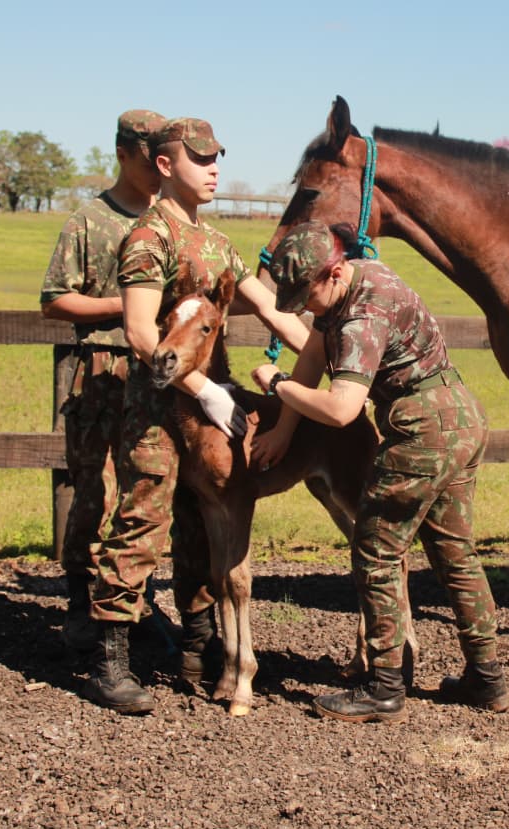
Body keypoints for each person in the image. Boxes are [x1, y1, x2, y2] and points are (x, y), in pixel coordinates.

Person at [84, 116, 310, 714]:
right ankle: (110, 660)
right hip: (158, 412)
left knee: (199, 535)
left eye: (217, 160)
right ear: (165, 165)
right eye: (201, 160)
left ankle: (198, 649)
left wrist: (327, 354)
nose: (214, 171)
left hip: (210, 409)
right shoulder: (147, 237)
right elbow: (137, 330)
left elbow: (271, 310)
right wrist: (203, 387)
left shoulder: (216, 242)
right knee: (142, 524)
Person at [251, 220, 509, 723]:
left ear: (333, 272)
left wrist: (278, 385)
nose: (305, 306)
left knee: (375, 549)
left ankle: (384, 686)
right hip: (461, 417)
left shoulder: (361, 319)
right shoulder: (363, 277)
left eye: (308, 294)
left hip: (422, 432)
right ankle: (487, 679)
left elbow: (341, 409)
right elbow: (313, 350)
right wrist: (283, 432)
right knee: (455, 553)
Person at [40, 110, 165, 653]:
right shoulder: (90, 220)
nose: (158, 168)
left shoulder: (168, 222)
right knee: (95, 489)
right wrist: (125, 306)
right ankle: (81, 606)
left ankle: (138, 600)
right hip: (100, 371)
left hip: (155, 377)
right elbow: (54, 299)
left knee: (149, 491)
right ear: (123, 153)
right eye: (147, 157)